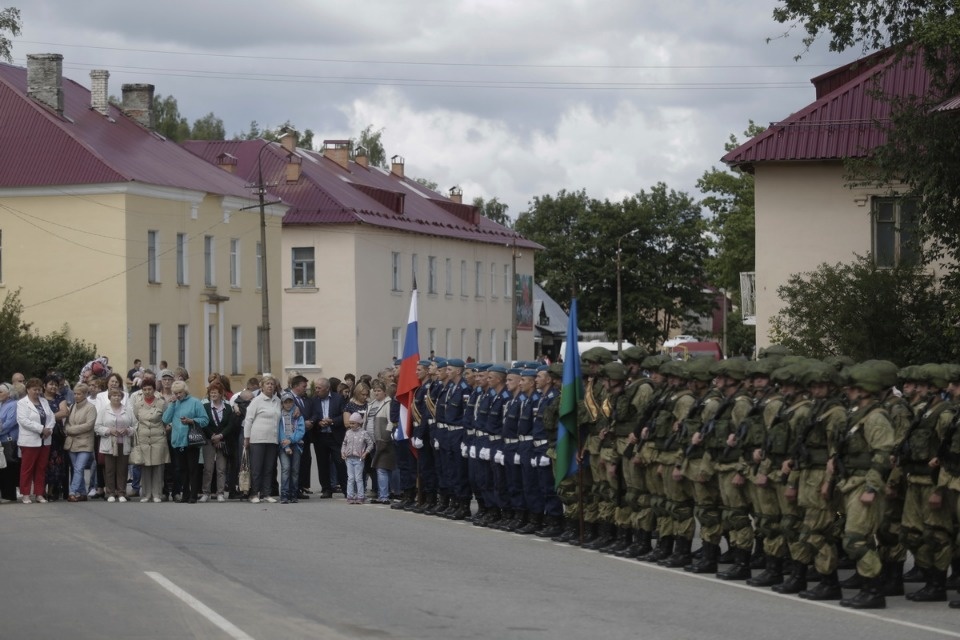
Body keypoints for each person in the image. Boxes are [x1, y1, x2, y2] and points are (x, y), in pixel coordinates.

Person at [162, 380, 209, 503]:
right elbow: (165, 419)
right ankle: (185, 494)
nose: (178, 395)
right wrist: (172, 404)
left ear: (185, 391)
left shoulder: (195, 402)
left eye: (180, 392)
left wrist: (191, 421)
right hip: (178, 441)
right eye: (176, 393)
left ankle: (193, 495)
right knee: (181, 469)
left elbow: (205, 420)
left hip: (192, 441)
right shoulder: (174, 403)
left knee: (193, 469)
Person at [130, 376, 170, 503]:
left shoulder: (162, 403)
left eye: (150, 389)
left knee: (158, 467)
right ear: (142, 391)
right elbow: (136, 419)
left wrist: (165, 430)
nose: (147, 392)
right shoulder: (138, 405)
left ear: (154, 389)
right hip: (143, 438)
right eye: (145, 389)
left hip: (158, 437)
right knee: (145, 466)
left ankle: (157, 494)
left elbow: (167, 420)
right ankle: (146, 494)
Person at [243, 375, 281, 504]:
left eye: (272, 384)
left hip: (272, 438)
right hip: (257, 439)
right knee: (257, 468)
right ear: (262, 386)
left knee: (269, 468)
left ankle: (266, 493)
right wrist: (246, 438)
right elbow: (248, 420)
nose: (270, 386)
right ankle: (254, 493)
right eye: (267, 384)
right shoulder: (256, 401)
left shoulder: (277, 400)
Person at [17, 378, 55, 503]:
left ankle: (39, 493)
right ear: (28, 390)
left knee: (41, 468)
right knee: (27, 469)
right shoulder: (22, 403)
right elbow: (23, 421)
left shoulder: (44, 401)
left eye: (39, 390)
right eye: (34, 390)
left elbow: (51, 417)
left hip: (45, 440)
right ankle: (25, 494)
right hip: (29, 441)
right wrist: (41, 429)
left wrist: (49, 429)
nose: (37, 392)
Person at [95, 388, 135, 502]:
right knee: (109, 469)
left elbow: (135, 425)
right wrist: (109, 430)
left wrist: (127, 430)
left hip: (124, 443)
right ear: (109, 397)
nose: (116, 397)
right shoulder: (104, 410)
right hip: (109, 443)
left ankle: (121, 492)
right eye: (114, 395)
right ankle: (110, 493)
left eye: (118, 396)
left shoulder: (128, 410)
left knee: (122, 469)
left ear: (121, 397)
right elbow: (97, 427)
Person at [201, 381, 237, 503]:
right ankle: (206, 492)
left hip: (223, 441)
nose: (213, 394)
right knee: (208, 468)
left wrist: (220, 436)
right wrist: (212, 436)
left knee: (221, 469)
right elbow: (204, 423)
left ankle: (220, 493)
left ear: (221, 394)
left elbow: (230, 425)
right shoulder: (205, 407)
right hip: (209, 440)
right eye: (211, 393)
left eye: (215, 392)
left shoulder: (228, 408)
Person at [64, 382, 96, 502]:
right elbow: (67, 423)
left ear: (85, 394)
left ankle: (72, 491)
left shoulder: (90, 407)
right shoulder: (72, 406)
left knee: (79, 467)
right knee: (76, 468)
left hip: (85, 442)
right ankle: (82, 492)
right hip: (72, 442)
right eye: (75, 393)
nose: (76, 396)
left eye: (79, 394)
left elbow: (89, 425)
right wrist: (67, 429)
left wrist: (71, 430)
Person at [277, 392, 306, 504]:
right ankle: (284, 494)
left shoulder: (298, 415)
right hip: (283, 446)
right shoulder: (280, 415)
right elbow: (280, 431)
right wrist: (286, 445)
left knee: (295, 470)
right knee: (286, 468)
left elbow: (301, 430)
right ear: (282, 403)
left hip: (296, 445)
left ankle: (293, 494)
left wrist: (291, 440)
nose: (288, 404)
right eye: (286, 402)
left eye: (290, 402)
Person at [343, 382, 371, 495]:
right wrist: (359, 422)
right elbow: (347, 423)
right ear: (357, 393)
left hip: (366, 438)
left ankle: (362, 490)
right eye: (362, 394)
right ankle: (353, 492)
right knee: (353, 471)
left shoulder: (369, 405)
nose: (365, 397)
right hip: (354, 440)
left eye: (366, 394)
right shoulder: (350, 405)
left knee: (366, 467)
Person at [371, 383, 396, 504]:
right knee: (384, 468)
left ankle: (384, 495)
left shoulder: (388, 403)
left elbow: (391, 421)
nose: (376, 393)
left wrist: (385, 437)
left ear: (385, 392)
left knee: (382, 468)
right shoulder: (374, 404)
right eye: (375, 390)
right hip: (378, 441)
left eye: (379, 390)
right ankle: (385, 494)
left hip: (385, 441)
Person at [342, 411, 373, 504]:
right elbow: (344, 443)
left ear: (359, 423)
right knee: (350, 478)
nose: (351, 425)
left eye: (353, 423)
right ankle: (350, 496)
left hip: (359, 459)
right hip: (349, 458)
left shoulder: (364, 433)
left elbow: (370, 444)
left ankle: (360, 496)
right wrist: (343, 452)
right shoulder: (348, 433)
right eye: (350, 423)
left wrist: (366, 453)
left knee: (358, 478)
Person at [0, 382, 21, 502]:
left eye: (0, 392)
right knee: (2, 468)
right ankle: (4, 494)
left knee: (9, 467)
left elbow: (9, 423)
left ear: (9, 393)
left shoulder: (14, 405)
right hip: (1, 440)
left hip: (9, 440)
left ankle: (9, 495)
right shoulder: (1, 404)